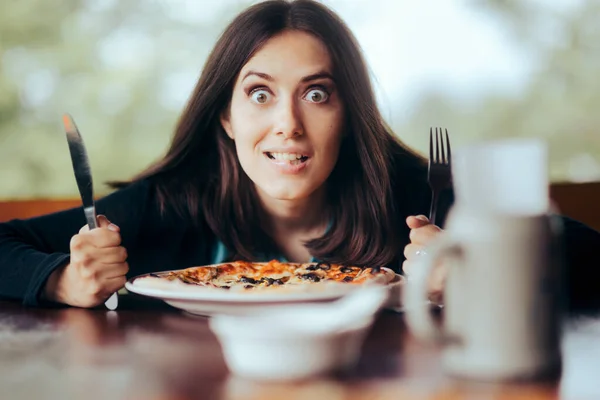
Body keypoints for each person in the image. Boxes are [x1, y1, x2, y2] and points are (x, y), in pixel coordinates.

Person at [0, 0, 598, 312]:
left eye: (316, 94)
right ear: (227, 118)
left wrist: (488, 265)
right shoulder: (169, 205)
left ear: (349, 113)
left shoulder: (423, 197)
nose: (288, 124)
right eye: (260, 94)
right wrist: (60, 282)